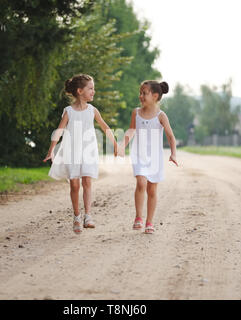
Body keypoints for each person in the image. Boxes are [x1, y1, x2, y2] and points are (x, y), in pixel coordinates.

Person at [43, 74, 117, 234]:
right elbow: (59, 131)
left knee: (87, 182)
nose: (93, 91)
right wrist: (51, 150)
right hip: (72, 151)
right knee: (75, 185)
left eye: (93, 88)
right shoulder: (69, 111)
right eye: (90, 88)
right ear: (79, 91)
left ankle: (88, 216)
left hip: (88, 150)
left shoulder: (92, 110)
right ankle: (77, 216)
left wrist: (116, 144)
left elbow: (105, 127)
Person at [118, 80, 179, 234]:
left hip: (155, 158)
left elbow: (171, 136)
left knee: (152, 190)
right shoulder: (136, 112)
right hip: (139, 155)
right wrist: (122, 145)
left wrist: (173, 153)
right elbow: (131, 130)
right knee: (141, 182)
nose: (141, 96)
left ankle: (149, 222)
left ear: (155, 96)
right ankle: (138, 217)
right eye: (140, 93)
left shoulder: (161, 115)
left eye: (144, 93)